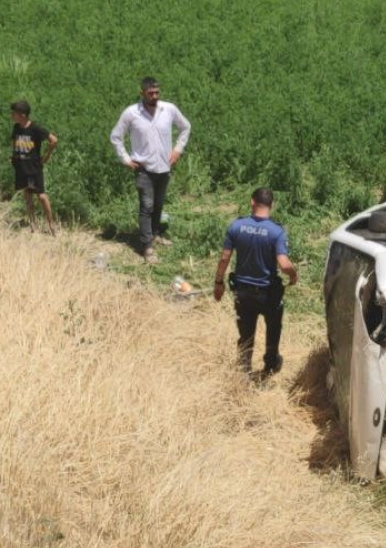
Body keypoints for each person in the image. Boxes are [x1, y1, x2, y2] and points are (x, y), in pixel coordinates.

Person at [213, 188, 299, 377]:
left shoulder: (236, 226)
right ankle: (270, 365)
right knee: (273, 328)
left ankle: (243, 369)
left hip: (243, 291)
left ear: (252, 202)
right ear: (272, 205)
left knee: (245, 333)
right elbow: (284, 264)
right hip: (268, 293)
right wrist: (294, 275)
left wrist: (218, 282)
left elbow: (224, 258)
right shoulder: (276, 232)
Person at [109, 77, 192, 264]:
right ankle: (147, 246)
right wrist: (125, 159)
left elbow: (185, 127)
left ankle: (155, 234)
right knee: (146, 206)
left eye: (157, 92)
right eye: (150, 93)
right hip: (143, 168)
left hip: (164, 167)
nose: (154, 96)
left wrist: (178, 150)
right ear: (142, 93)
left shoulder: (168, 109)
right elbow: (116, 137)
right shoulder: (131, 113)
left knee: (158, 204)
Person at [9, 100, 59, 234]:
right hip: (21, 166)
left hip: (33, 167)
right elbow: (14, 142)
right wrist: (14, 156)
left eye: (14, 113)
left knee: (41, 196)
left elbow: (53, 140)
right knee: (27, 194)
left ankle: (51, 224)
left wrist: (46, 156)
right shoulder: (16, 128)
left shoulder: (35, 129)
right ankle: (33, 224)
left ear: (23, 115)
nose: (12, 115)